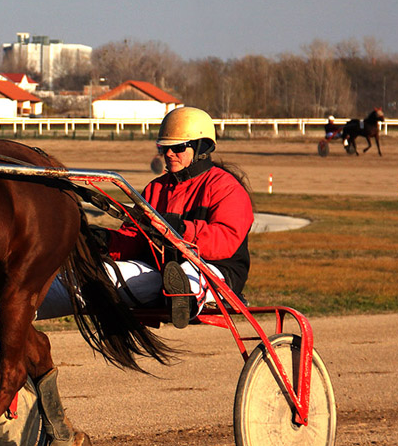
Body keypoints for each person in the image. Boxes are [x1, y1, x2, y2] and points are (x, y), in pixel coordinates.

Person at [38, 106, 254, 327]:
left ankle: (183, 301)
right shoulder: (156, 188)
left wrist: (181, 229)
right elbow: (135, 236)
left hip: (216, 269)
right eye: (164, 148)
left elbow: (226, 239)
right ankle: (23, 306)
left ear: (202, 147)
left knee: (187, 272)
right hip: (159, 271)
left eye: (177, 148)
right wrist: (105, 241)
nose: (168, 154)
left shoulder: (226, 187)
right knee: (96, 276)